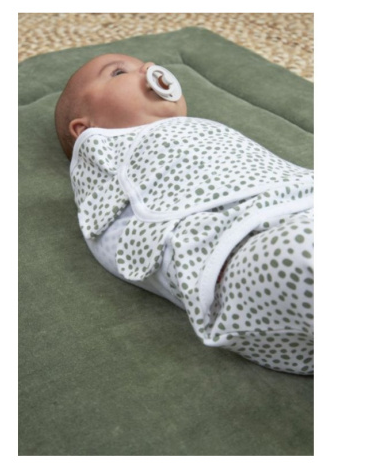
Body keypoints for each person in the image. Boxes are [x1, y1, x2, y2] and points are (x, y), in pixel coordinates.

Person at [55, 54, 314, 375]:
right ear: (85, 128)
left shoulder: (202, 129)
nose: (148, 69)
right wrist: (194, 261)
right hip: (237, 254)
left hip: (297, 202)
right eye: (119, 72)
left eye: (146, 64)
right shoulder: (109, 166)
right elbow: (113, 236)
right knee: (301, 250)